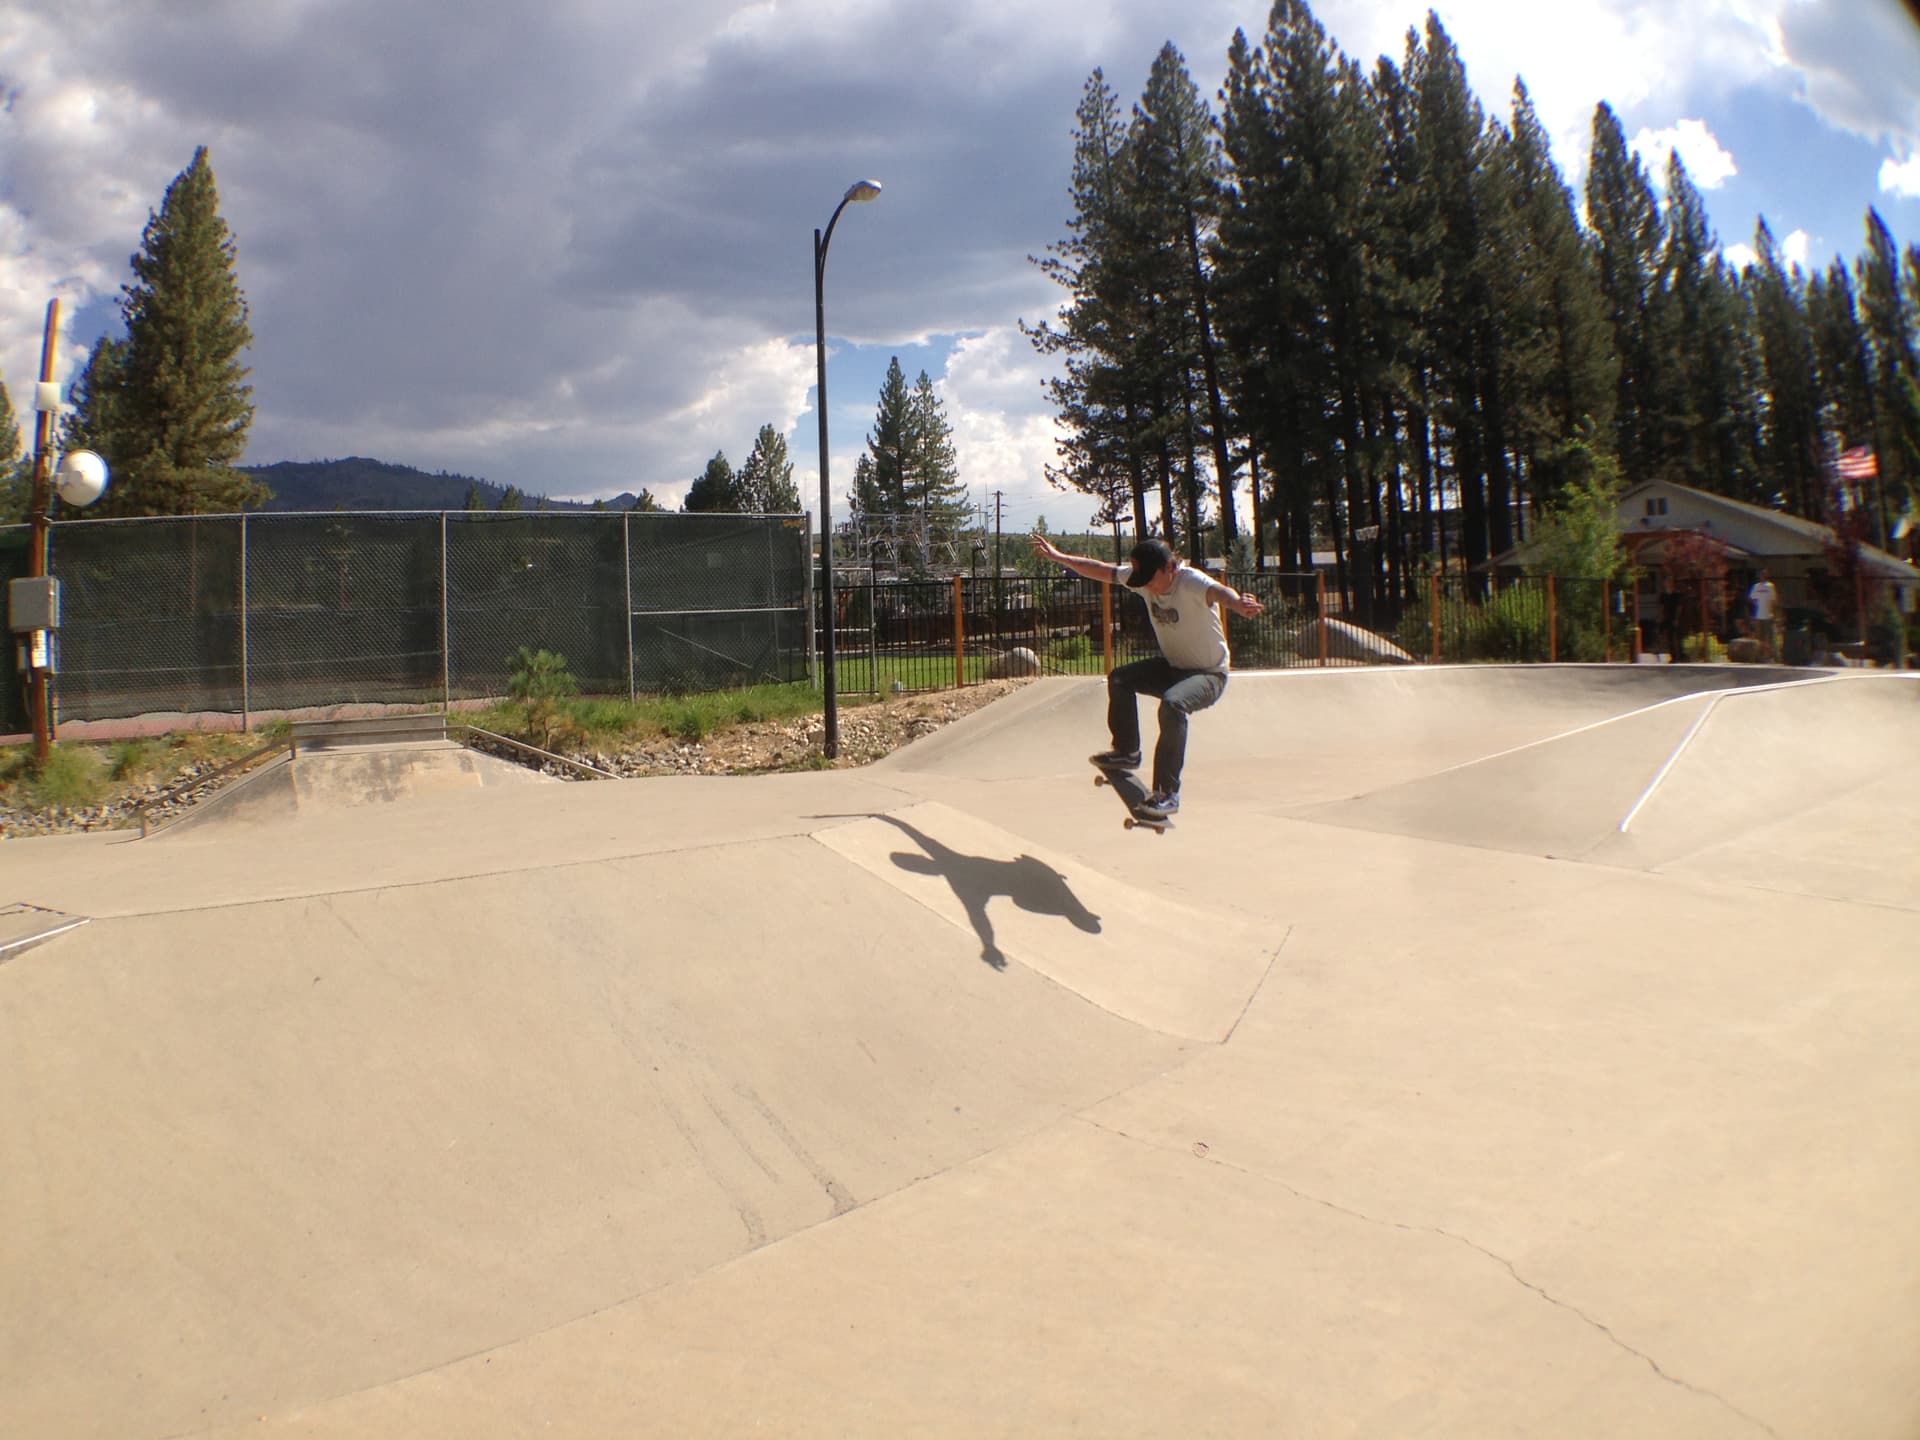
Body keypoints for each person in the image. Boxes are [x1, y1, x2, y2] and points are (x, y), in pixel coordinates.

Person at [1029, 533, 1263, 819]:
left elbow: (1219, 592)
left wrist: (1238, 603)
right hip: (1173, 669)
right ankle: (1127, 751)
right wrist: (1059, 557)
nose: (1148, 587)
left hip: (1209, 675)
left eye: (1152, 580)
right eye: (1143, 582)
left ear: (1169, 567)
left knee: (1173, 705)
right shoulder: (1145, 579)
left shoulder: (1191, 581)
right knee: (1120, 678)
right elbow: (1102, 570)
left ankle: (1167, 793)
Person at [1747, 569, 1780, 660]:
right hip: (1758, 616)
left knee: (1769, 637)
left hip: (1768, 616)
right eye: (1760, 575)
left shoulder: (1770, 586)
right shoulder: (1756, 587)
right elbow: (1752, 598)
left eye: (1763, 575)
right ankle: (1760, 655)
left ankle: (1771, 656)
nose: (1761, 577)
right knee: (1759, 637)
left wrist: (1773, 612)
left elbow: (1774, 601)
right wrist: (1756, 605)